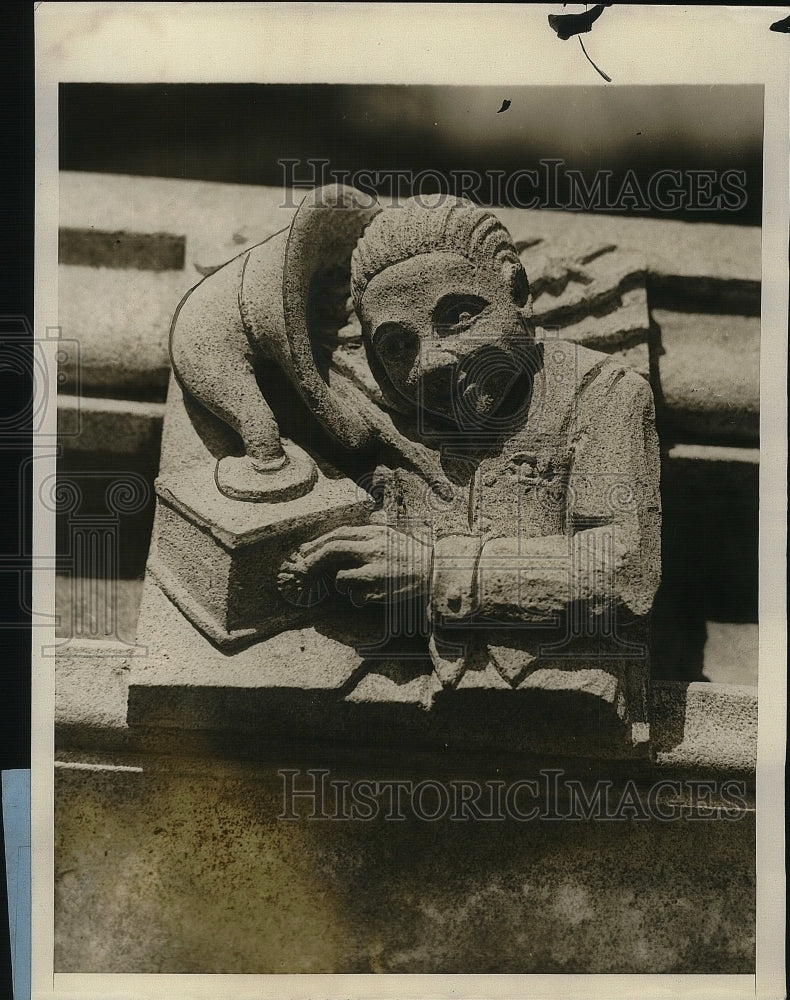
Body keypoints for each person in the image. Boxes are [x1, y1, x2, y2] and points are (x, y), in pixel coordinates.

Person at [278, 194, 661, 689]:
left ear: (517, 293)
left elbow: (624, 570)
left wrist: (434, 572)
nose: (431, 361)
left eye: (459, 316)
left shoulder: (602, 395)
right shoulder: (395, 421)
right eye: (397, 345)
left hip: (559, 698)